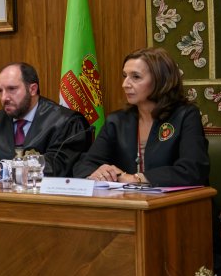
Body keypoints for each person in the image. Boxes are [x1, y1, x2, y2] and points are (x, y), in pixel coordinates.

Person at [73, 47, 209, 186]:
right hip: (127, 198)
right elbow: (84, 166)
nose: (125, 84)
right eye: (125, 76)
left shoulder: (185, 115)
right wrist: (99, 173)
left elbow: (193, 170)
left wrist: (135, 179)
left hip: (175, 199)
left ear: (160, 80)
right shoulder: (117, 121)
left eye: (136, 77)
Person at [0, 63, 92, 180]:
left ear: (32, 89)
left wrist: (2, 170)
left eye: (12, 89)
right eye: (0, 91)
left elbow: (57, 166)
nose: (4, 97)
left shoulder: (66, 122)